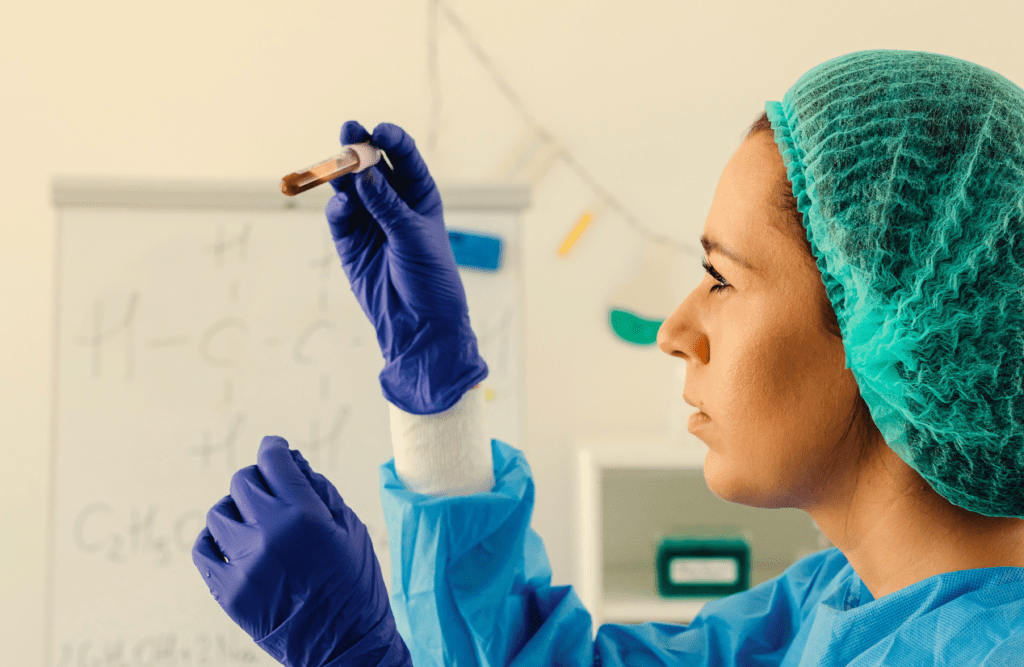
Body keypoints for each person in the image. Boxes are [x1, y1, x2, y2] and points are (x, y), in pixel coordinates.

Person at [193, 49, 1024, 666]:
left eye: (720, 279)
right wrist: (435, 392)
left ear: (888, 324)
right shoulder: (834, 609)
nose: (673, 329)